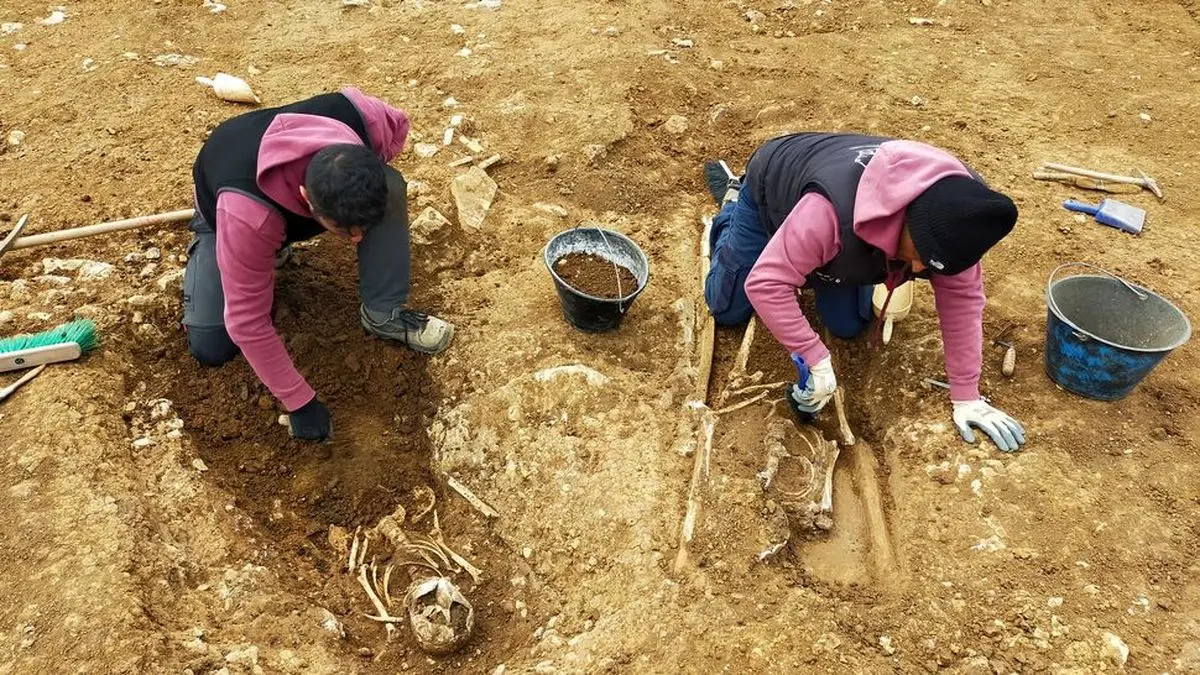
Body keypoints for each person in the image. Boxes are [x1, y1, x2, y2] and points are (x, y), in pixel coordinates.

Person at [703, 132, 1026, 452]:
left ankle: (811, 258)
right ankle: (733, 203)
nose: (916, 272)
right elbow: (765, 284)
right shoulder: (828, 212)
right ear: (906, 219)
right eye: (918, 256)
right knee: (727, 309)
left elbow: (963, 303)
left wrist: (967, 395)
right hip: (775, 190)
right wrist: (814, 358)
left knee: (847, 326)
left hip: (850, 231)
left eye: (929, 265)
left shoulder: (963, 223)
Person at [184, 87, 454, 442]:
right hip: (230, 212)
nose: (358, 239)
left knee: (389, 185)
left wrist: (365, 205)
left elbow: (397, 131)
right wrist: (299, 402)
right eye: (345, 230)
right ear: (306, 198)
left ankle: (383, 313)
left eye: (362, 230)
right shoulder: (247, 217)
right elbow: (247, 323)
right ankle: (237, 251)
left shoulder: (364, 118)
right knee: (211, 345)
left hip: (287, 203)